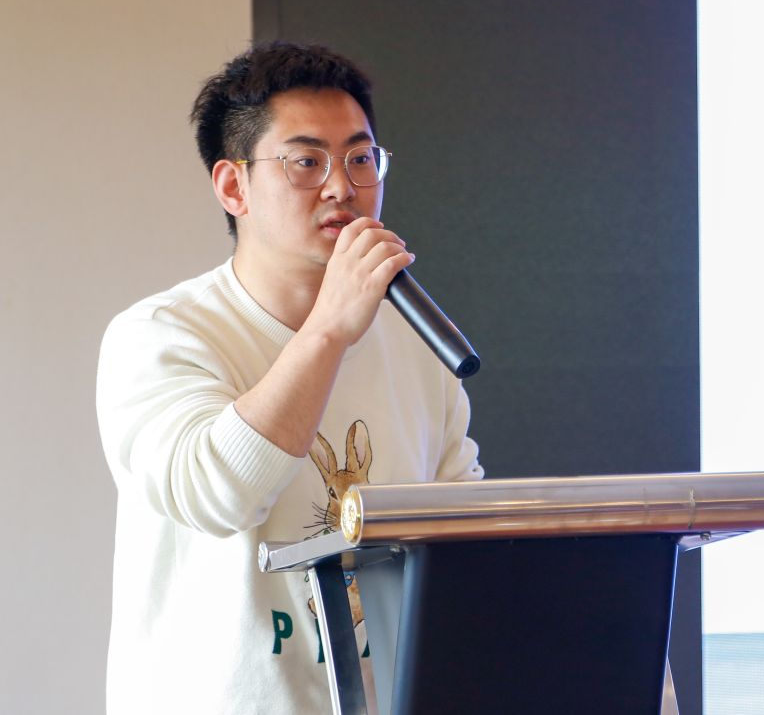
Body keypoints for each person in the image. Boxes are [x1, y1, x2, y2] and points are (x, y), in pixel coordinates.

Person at [96, 42, 484, 714]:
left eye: (361, 158)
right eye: (306, 162)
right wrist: (329, 329)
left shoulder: (417, 347)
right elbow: (218, 494)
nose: (342, 187)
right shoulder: (159, 335)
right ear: (233, 186)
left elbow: (459, 548)